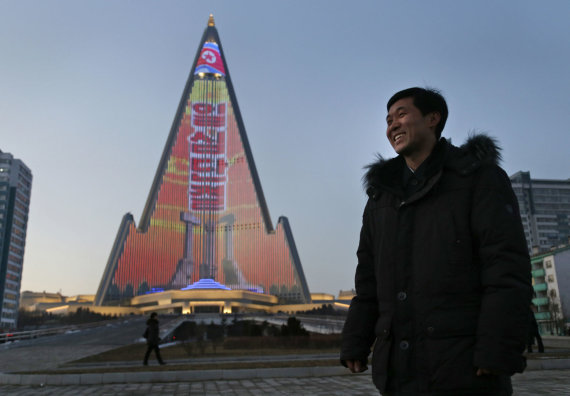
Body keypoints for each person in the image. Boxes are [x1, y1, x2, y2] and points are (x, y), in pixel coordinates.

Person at [340, 87, 532, 395]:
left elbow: (506, 269)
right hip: (398, 372)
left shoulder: (478, 179)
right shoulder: (381, 197)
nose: (392, 125)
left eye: (402, 114)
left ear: (433, 119)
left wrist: (497, 349)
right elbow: (368, 280)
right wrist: (356, 341)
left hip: (464, 367)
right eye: (388, 120)